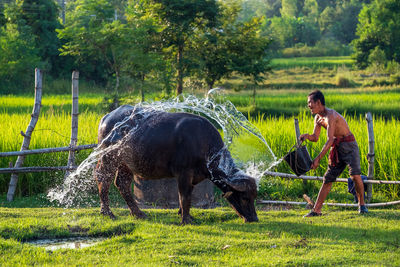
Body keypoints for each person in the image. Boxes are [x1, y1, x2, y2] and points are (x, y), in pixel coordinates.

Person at [299, 90, 368, 217]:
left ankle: (362, 206)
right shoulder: (318, 117)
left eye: (310, 103)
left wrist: (318, 158)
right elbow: (316, 137)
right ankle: (316, 210)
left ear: (318, 102)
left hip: (349, 146)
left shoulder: (331, 115)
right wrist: (307, 136)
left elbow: (330, 139)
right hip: (336, 148)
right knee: (328, 178)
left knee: (355, 175)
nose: (308, 105)